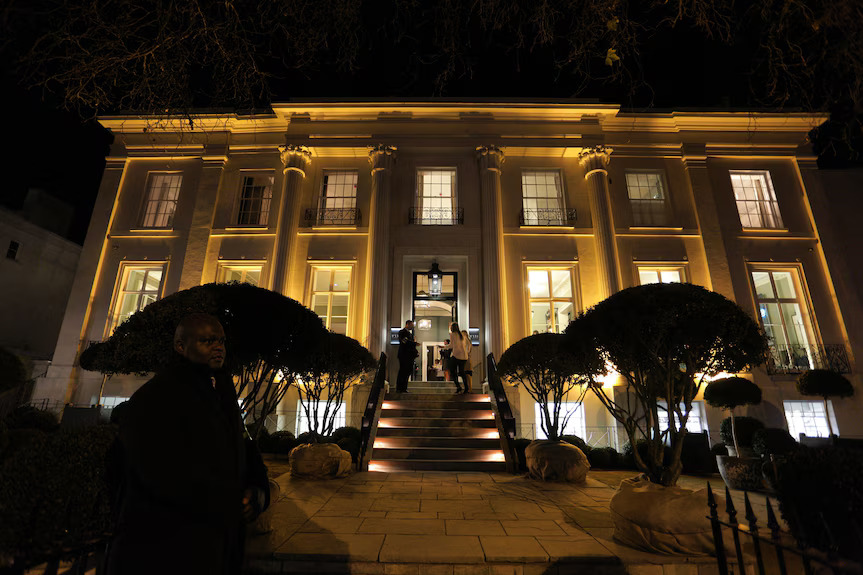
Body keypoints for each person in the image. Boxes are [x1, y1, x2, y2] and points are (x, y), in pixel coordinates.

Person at [107, 313, 270, 575]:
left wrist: (258, 490)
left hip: (215, 545)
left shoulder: (222, 393)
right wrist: (225, 500)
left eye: (221, 341)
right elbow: (158, 472)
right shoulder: (156, 397)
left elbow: (242, 449)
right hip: (165, 549)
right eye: (207, 341)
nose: (219, 347)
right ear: (180, 346)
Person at [445, 323, 469, 394]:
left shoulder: (452, 334)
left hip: (456, 356)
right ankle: (466, 388)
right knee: (462, 372)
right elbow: (468, 344)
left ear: (452, 328)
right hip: (464, 356)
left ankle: (458, 387)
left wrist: (444, 347)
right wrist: (467, 351)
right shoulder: (463, 334)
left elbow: (451, 345)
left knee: (452, 371)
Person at [396, 319, 418, 393]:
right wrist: (414, 343)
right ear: (407, 324)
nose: (412, 327)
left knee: (407, 372)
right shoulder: (402, 332)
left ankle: (404, 388)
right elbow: (404, 342)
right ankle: (399, 388)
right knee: (403, 371)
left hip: (409, 356)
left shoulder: (410, 334)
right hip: (404, 355)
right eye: (411, 325)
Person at [461, 329, 473, 393]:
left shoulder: (464, 339)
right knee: (468, 374)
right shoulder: (469, 340)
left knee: (466, 374)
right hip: (468, 359)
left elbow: (466, 350)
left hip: (466, 359)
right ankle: (469, 388)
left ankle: (468, 389)